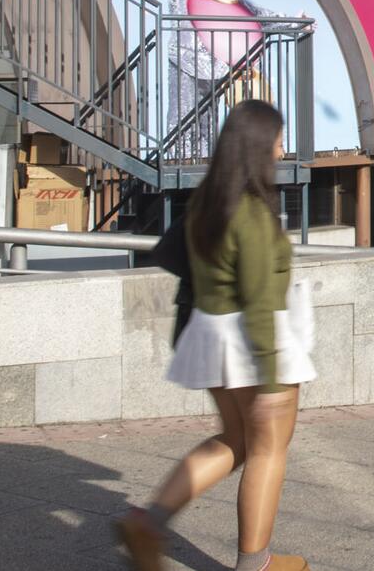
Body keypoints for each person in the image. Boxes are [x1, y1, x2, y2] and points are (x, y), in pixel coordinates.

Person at [117, 100, 315, 571]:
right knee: (269, 450)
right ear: (257, 146)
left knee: (235, 440)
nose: (282, 149)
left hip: (209, 333)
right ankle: (257, 564)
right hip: (254, 343)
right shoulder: (252, 214)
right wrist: (270, 380)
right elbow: (262, 300)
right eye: (277, 139)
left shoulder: (208, 203)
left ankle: (148, 522)